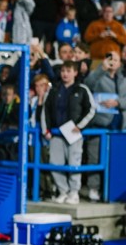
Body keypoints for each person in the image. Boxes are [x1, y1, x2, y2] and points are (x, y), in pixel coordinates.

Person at [41, 62, 96, 204]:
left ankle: (74, 192)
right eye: (63, 71)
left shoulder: (82, 89)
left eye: (68, 70)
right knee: (55, 163)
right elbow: (45, 110)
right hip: (56, 133)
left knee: (74, 163)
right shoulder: (53, 90)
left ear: (75, 73)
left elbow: (91, 109)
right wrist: (45, 129)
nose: (65, 74)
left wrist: (80, 126)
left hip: (73, 133)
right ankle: (63, 191)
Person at [83, 51, 126, 201]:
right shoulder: (99, 76)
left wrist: (118, 102)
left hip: (119, 125)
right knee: (95, 156)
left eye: (116, 59)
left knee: (115, 159)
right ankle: (93, 188)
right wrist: (102, 68)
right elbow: (87, 85)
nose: (113, 62)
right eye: (110, 58)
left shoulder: (123, 79)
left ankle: (113, 189)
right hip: (100, 123)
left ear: (120, 62)